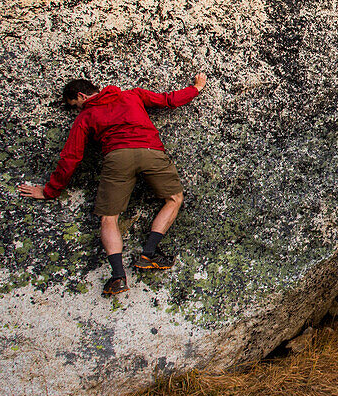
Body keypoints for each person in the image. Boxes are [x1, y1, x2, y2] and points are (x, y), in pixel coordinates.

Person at [18, 73, 207, 297]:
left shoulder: (86, 116)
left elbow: (71, 157)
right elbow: (168, 100)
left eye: (75, 105)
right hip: (150, 152)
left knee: (109, 217)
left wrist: (50, 191)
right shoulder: (131, 95)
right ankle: (148, 254)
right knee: (174, 198)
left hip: (117, 158)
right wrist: (195, 88)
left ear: (81, 95)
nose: (77, 110)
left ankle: (118, 277)